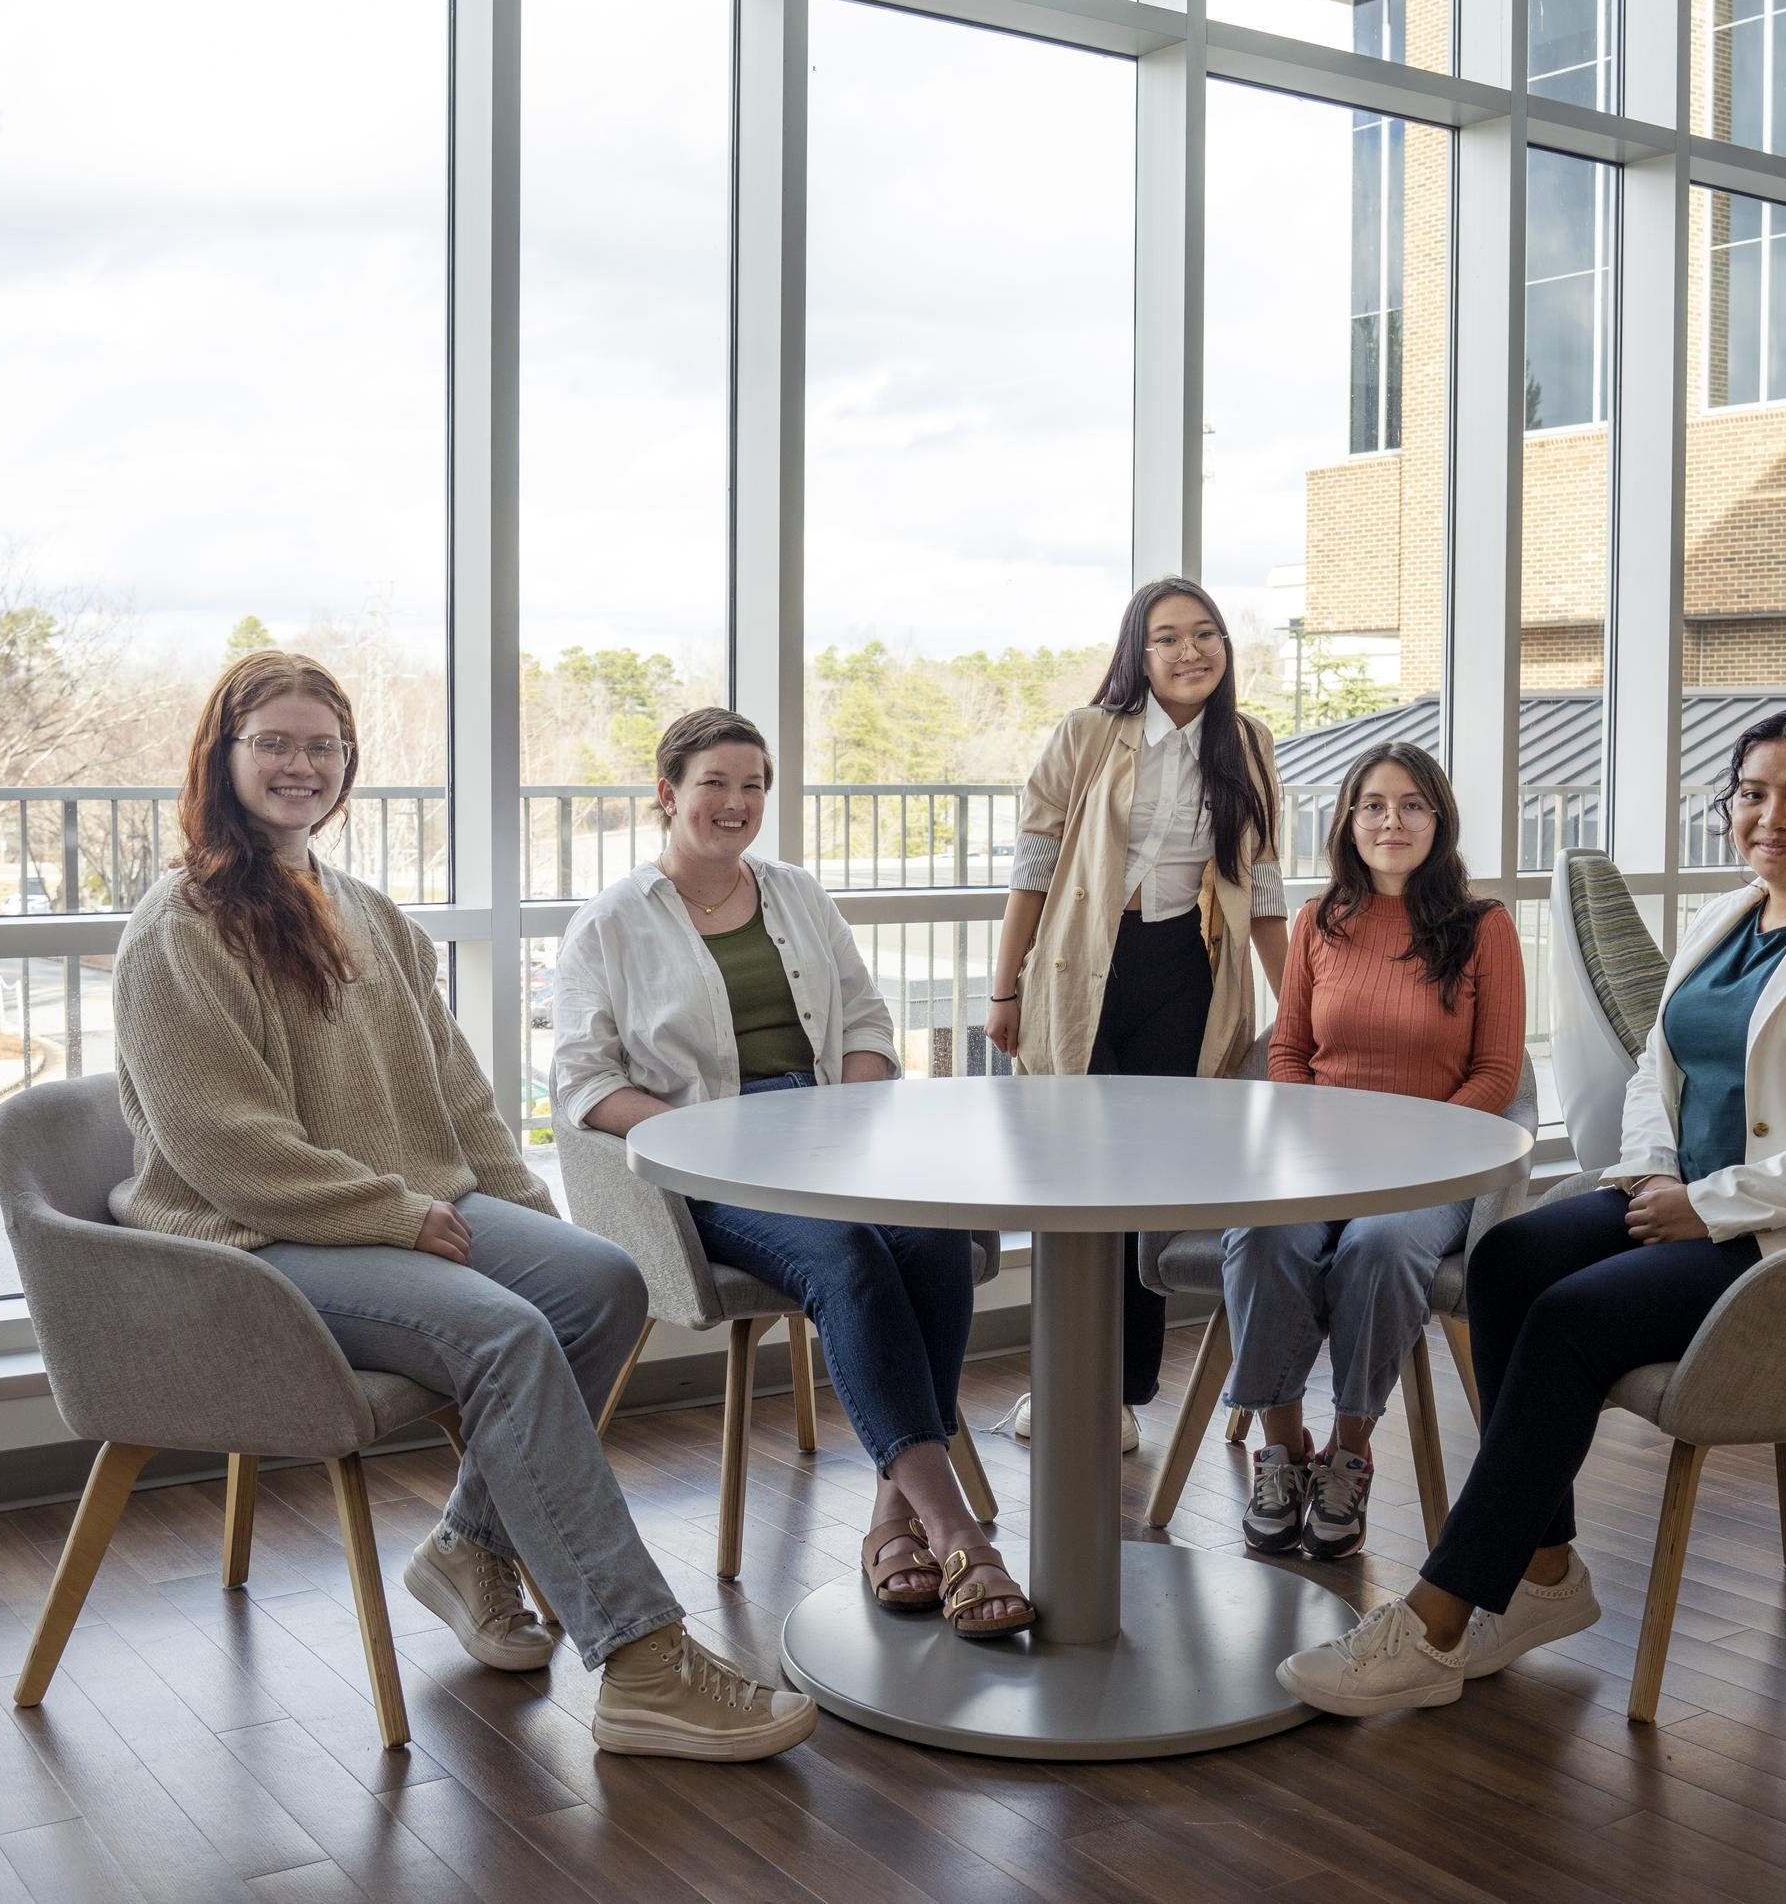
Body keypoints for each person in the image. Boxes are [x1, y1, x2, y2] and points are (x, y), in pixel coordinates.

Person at [110, 653, 814, 1760]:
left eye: (323, 746)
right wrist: (394, 1214)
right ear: (224, 756)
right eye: (276, 743)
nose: (302, 764)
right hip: (257, 1243)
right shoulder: (180, 927)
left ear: (348, 766)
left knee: (598, 1283)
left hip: (390, 1209)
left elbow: (458, 1096)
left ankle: (467, 1545)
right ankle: (639, 1659)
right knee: (503, 1332)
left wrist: (526, 1212)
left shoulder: (364, 911)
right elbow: (224, 1147)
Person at [1276, 709, 1786, 1715]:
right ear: (1729, 809)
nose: (1775, 815)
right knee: (1509, 1259)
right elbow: (1659, 1068)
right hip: (1682, 1194)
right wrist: (1647, 1174)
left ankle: (1435, 1617)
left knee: (1570, 1321)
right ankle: (1546, 1571)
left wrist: (1712, 1202)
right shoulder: (1725, 920)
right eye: (1754, 794)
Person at [554, 708, 1035, 1638]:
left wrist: (843, 1115)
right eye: (715, 784)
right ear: (668, 795)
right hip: (700, 1162)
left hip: (823, 1136)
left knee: (932, 1239)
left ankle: (891, 1514)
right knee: (848, 1258)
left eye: (753, 785)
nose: (737, 803)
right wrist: (710, 1139)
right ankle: (955, 1527)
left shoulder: (798, 893)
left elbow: (864, 1022)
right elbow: (583, 1083)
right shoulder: (610, 922)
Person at [985, 578, 1291, 1451]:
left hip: (1183, 974)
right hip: (1082, 972)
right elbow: (1033, 869)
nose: (1189, 652)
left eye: (1206, 635)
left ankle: (1118, 1393)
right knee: (1076, 1187)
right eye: (1167, 637)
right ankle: (1060, 1379)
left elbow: (1263, 889)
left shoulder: (1248, 744)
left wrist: (1301, 1006)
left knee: (1145, 1189)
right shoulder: (1088, 734)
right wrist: (1004, 991)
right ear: (1138, 652)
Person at [1224, 742, 1525, 1561]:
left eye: (1411, 804)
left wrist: (1420, 1152)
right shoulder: (1319, 919)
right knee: (1261, 1233)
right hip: (1321, 1153)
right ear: (1348, 821)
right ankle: (1283, 1450)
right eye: (1373, 805)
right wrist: (1315, 1133)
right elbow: (1287, 1051)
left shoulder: (1484, 926)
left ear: (1439, 818)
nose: (1391, 821)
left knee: (1381, 1243)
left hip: (1436, 1165)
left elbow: (1496, 1073)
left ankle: (1349, 1451)